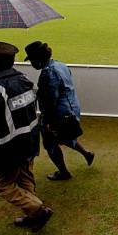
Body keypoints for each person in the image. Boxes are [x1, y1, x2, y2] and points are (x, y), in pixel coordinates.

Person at [0, 41, 53, 232]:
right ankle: (33, 215)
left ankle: (37, 210)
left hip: (9, 148)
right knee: (25, 177)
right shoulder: (26, 80)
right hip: (31, 140)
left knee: (2, 183)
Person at [24, 41, 94, 181]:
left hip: (59, 114)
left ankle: (63, 172)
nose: (31, 63)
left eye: (32, 59)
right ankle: (87, 154)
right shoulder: (60, 65)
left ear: (38, 59)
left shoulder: (47, 74)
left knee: (50, 142)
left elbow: (51, 100)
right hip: (72, 109)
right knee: (65, 137)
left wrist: (48, 122)